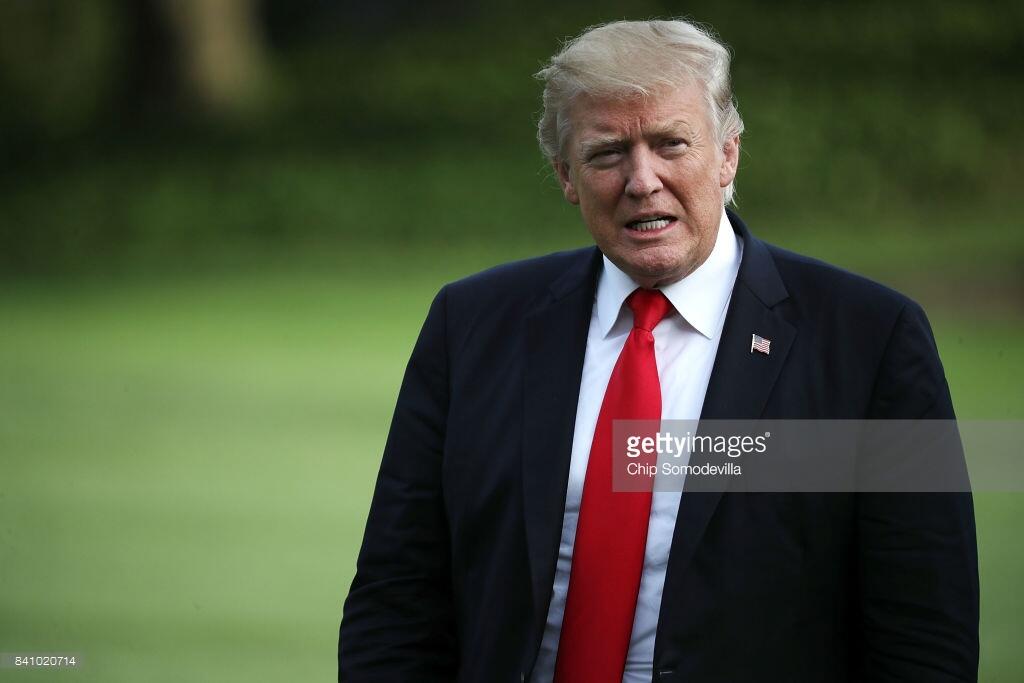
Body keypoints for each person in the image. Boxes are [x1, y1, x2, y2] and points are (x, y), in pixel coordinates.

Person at [338, 19, 979, 682]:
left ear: (728, 154)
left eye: (671, 143)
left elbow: (924, 631)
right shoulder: (470, 325)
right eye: (608, 153)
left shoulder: (869, 340)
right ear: (565, 174)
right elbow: (397, 596)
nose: (642, 179)